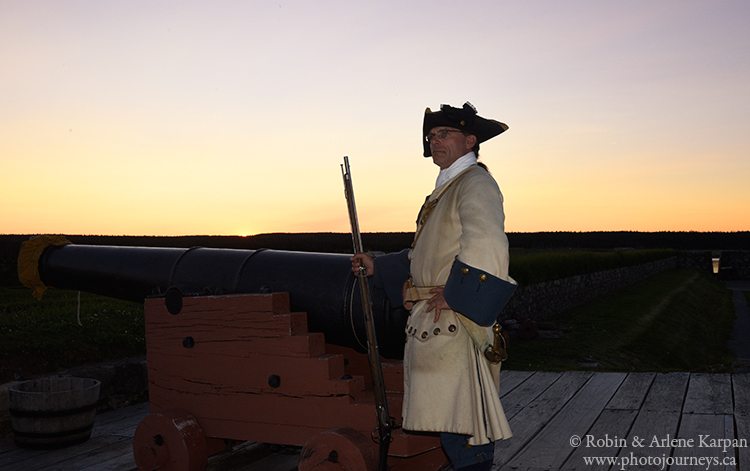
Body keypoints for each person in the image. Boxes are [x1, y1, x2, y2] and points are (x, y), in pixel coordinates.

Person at [351, 102, 516, 471]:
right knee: (456, 421)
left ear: (471, 140)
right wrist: (381, 266)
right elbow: (426, 251)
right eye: (430, 136)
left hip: (454, 321)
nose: (434, 141)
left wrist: (457, 295)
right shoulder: (448, 187)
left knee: (464, 426)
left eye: (443, 134)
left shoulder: (475, 182)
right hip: (440, 322)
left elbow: (487, 242)